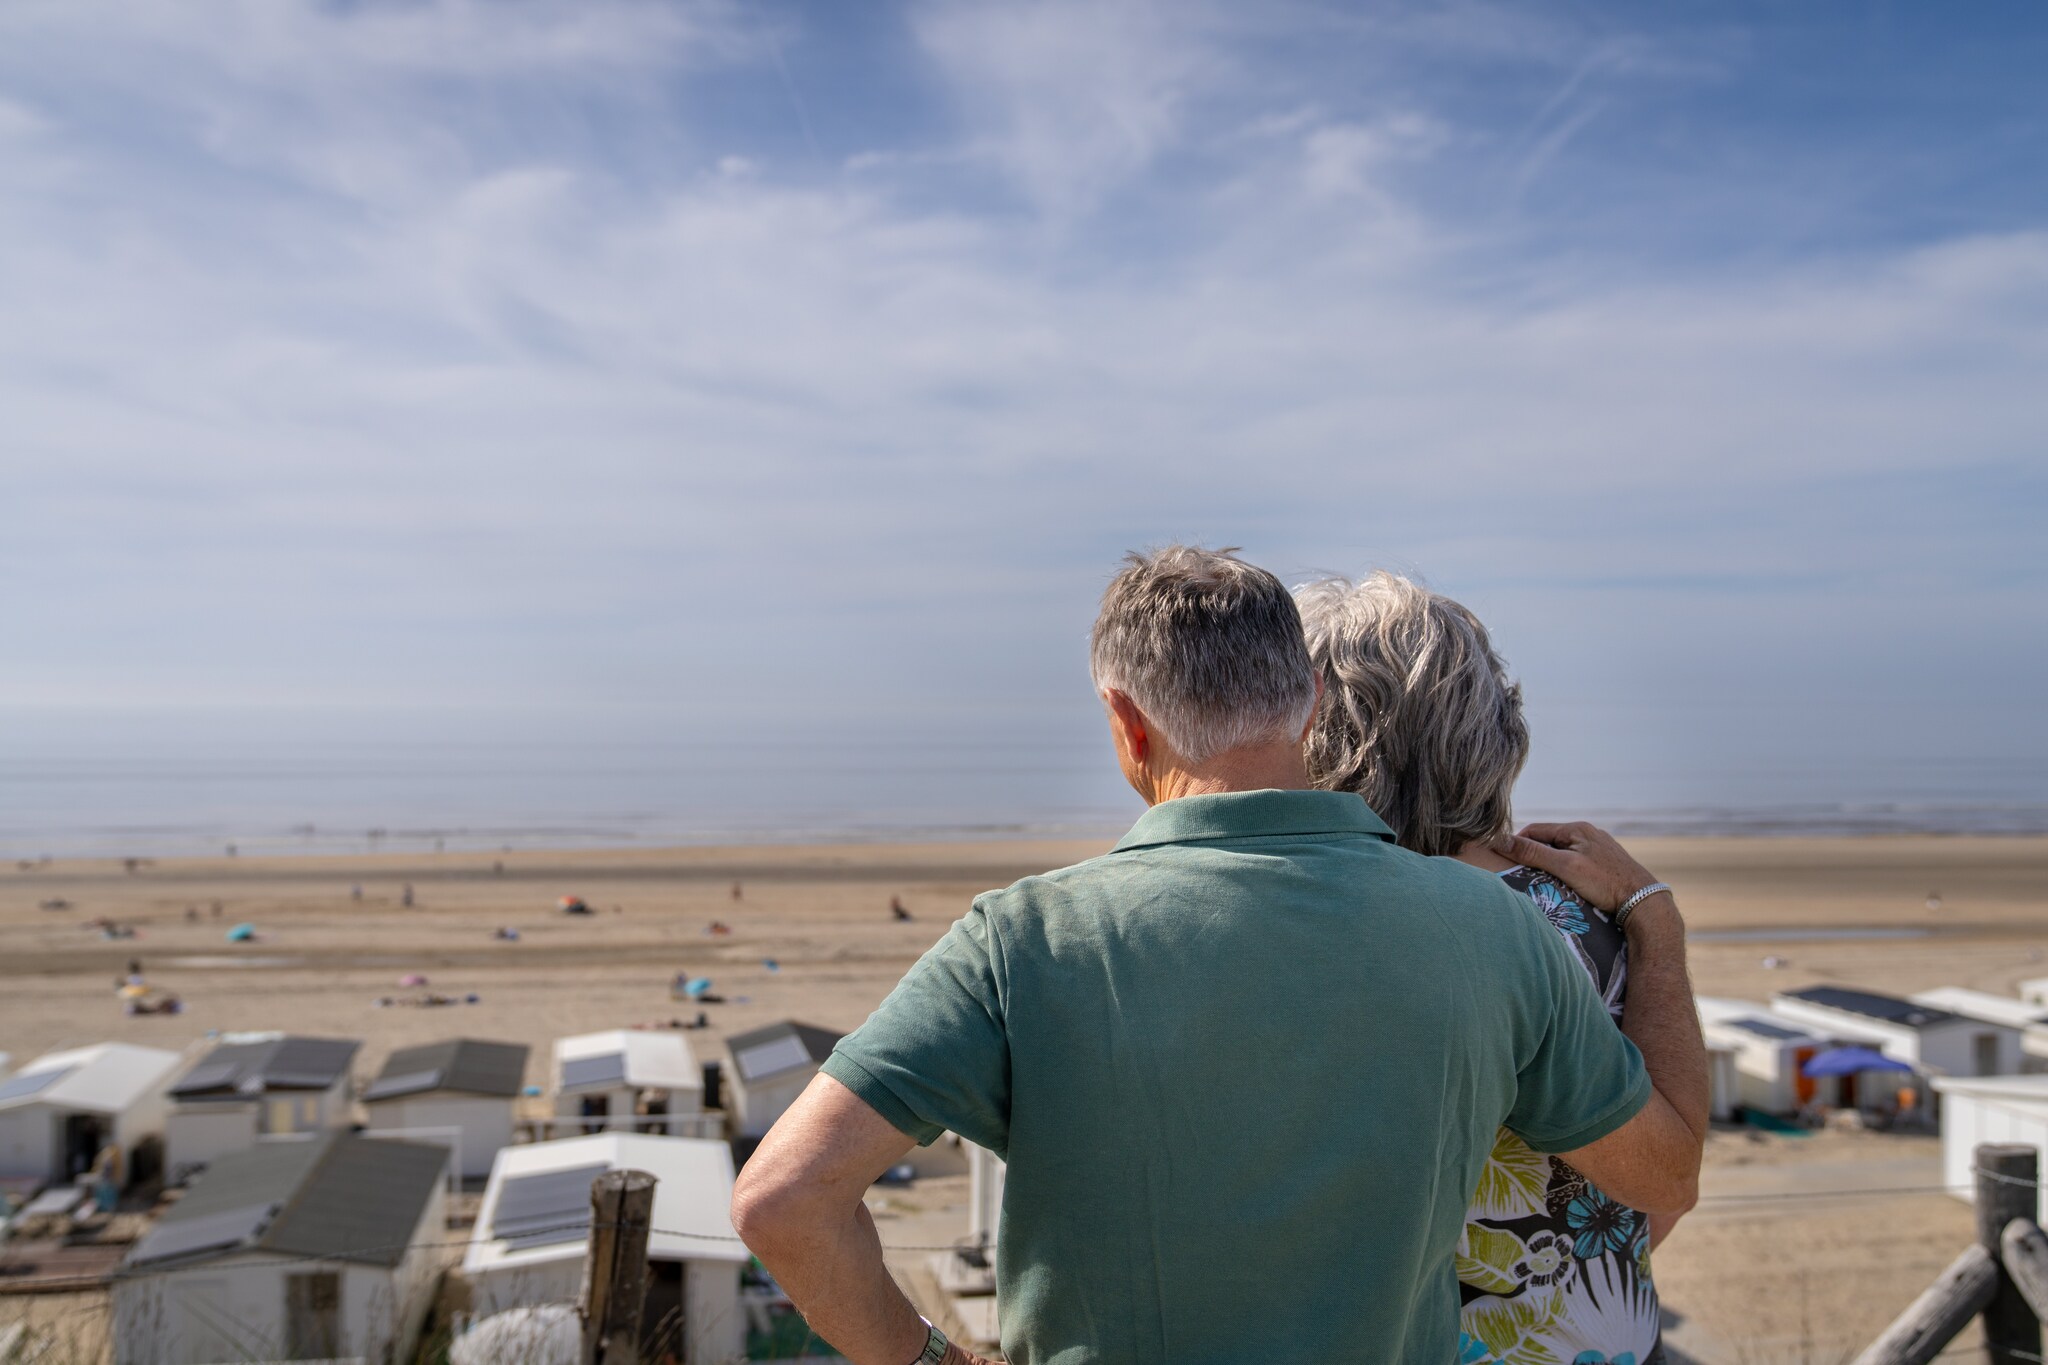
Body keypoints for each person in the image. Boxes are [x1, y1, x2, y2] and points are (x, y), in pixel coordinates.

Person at [733, 546, 1702, 1365]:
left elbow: (784, 1198)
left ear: (1126, 723)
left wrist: (931, 1358)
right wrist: (1652, 921)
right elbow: (1662, 1182)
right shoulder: (1497, 928)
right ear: (1305, 706)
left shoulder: (1022, 939)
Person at [1295, 571, 1709, 1365]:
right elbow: (1661, 1191)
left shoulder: (1297, 924)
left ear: (1309, 731)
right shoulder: (1574, 924)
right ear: (1492, 730)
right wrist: (1654, 921)